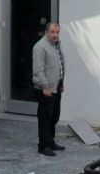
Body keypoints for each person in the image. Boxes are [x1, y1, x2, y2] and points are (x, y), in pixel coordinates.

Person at [32, 22, 66, 157]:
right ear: (46, 32)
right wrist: (45, 86)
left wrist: (61, 82)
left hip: (56, 87)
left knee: (54, 116)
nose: (55, 35)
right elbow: (38, 70)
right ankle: (43, 145)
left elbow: (59, 65)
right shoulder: (40, 47)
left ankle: (50, 140)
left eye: (57, 32)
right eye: (52, 32)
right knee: (45, 118)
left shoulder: (57, 45)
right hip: (45, 89)